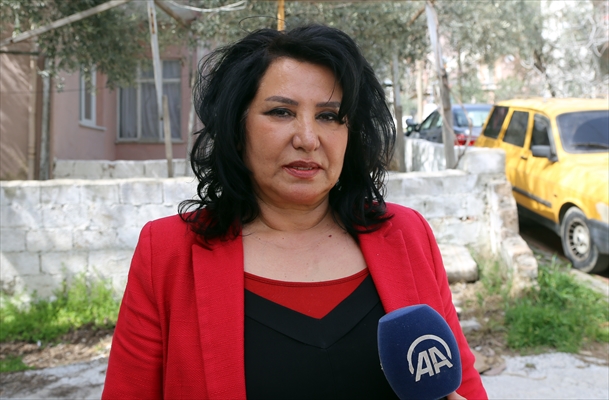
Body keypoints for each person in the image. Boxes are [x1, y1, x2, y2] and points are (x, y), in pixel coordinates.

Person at [102, 24, 487, 399]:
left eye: (329, 116)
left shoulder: (407, 234)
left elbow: (461, 384)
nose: (307, 139)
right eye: (281, 112)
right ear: (237, 126)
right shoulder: (166, 254)